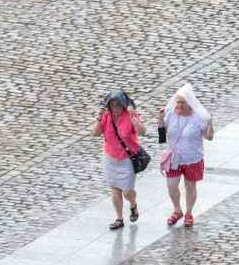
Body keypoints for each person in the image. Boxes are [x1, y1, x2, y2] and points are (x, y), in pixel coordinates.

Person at [158, 83, 214, 228]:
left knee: (190, 186)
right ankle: (177, 210)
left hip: (192, 158)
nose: (179, 106)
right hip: (174, 158)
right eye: (178, 102)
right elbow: (162, 137)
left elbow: (209, 137)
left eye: (183, 103)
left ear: (190, 104)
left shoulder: (198, 118)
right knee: (171, 186)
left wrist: (210, 124)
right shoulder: (170, 115)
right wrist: (160, 119)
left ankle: (189, 213)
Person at [91, 90, 146, 230]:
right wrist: (98, 118)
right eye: (112, 105)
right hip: (110, 158)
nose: (115, 108)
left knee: (127, 191)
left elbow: (142, 132)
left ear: (123, 105)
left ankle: (133, 204)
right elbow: (95, 133)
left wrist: (133, 117)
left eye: (118, 105)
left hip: (127, 159)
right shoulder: (106, 116)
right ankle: (119, 218)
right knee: (115, 190)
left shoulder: (130, 115)